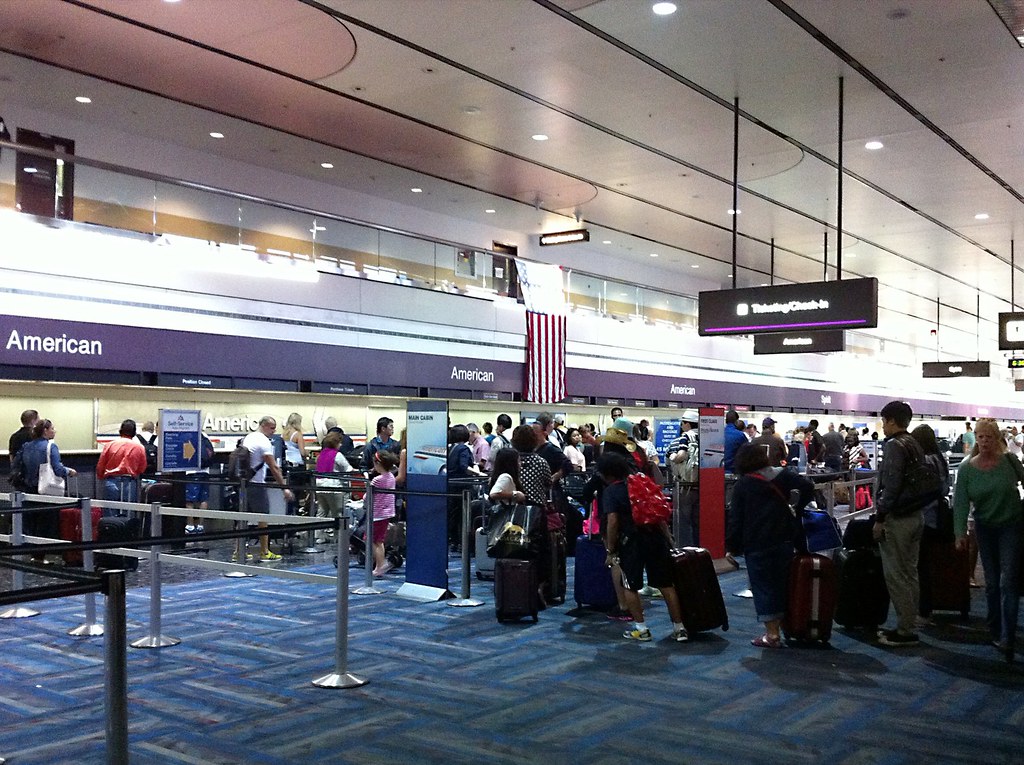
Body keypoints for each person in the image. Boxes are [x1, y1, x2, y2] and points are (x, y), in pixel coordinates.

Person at [726, 443, 814, 648]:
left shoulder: (743, 485)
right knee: (783, 583)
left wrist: (732, 545)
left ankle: (772, 634)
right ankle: (789, 626)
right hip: (784, 538)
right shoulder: (782, 475)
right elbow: (808, 487)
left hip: (756, 541)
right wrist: (797, 508)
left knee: (763, 586)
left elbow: (736, 519)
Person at [597, 453, 688, 643]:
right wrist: (669, 539)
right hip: (655, 538)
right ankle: (679, 628)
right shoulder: (642, 483)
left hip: (631, 542)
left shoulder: (612, 492)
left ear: (606, 474)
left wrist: (611, 549)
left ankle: (641, 628)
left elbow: (612, 522)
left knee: (630, 585)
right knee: (666, 584)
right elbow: (658, 513)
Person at [953, 418, 1022, 661]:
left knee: (1009, 581)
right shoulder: (967, 468)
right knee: (992, 582)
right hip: (985, 527)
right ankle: (995, 628)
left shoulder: (1009, 462)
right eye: (980, 437)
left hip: (1012, 525)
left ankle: (1008, 637)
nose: (984, 441)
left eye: (988, 437)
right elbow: (960, 503)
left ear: (997, 439)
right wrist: (959, 533)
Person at [872, 400, 929, 647]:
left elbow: (892, 486)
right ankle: (909, 622)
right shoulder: (914, 443)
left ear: (892, 421)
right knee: (910, 572)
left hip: (898, 518)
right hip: (916, 515)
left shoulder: (895, 446)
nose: (883, 426)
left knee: (895, 574)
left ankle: (905, 630)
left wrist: (880, 518)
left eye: (884, 421)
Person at [14, 418, 77, 563]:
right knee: (45, 524)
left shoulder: (26, 446)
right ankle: (40, 556)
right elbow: (57, 468)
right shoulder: (50, 447)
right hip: (45, 491)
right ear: (45, 431)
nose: (54, 431)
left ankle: (33, 554)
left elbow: (17, 465)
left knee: (32, 523)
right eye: (52, 428)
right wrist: (69, 471)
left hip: (28, 489)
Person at [240, 416, 294, 562]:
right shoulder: (263, 441)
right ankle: (264, 551)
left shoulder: (249, 437)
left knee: (242, 517)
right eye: (271, 427)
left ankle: (239, 551)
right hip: (257, 484)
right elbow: (274, 467)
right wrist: (284, 488)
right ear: (263, 426)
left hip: (244, 483)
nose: (274, 431)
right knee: (263, 516)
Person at [314, 431, 355, 545]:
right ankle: (339, 537)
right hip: (334, 487)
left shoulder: (321, 454)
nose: (341, 445)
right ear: (335, 443)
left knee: (322, 512)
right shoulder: (337, 455)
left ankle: (318, 536)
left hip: (319, 486)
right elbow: (348, 469)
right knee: (338, 513)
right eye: (340, 442)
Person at [96, 419, 148, 502]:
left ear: (120, 431)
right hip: (130, 483)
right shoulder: (140, 447)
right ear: (134, 433)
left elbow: (100, 465)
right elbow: (142, 468)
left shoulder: (109, 445)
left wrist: (101, 477)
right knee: (128, 511)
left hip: (111, 481)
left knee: (110, 512)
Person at [369, 450, 399, 576]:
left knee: (375, 541)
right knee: (378, 540)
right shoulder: (391, 477)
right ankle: (380, 564)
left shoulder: (377, 480)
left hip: (377, 514)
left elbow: (368, 495)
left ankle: (380, 565)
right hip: (387, 513)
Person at [185, 432, 216, 534]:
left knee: (189, 500)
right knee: (204, 499)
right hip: (205, 472)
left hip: (191, 471)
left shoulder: (187, 434)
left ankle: (190, 525)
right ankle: (200, 525)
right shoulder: (204, 435)